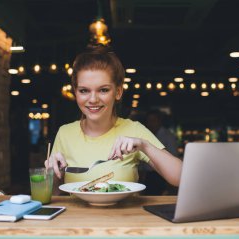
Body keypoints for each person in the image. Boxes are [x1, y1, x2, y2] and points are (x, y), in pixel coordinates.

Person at [45, 45, 182, 187]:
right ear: (75, 92)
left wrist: (145, 146)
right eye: (84, 90)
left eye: (103, 90)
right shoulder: (65, 133)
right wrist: (53, 173)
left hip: (125, 210)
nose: (93, 99)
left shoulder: (133, 130)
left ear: (118, 92)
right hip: (77, 210)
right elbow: (55, 194)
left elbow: (181, 179)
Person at [139, 109, 179, 195]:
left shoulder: (168, 136)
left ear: (159, 121)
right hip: (147, 175)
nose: (151, 123)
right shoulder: (144, 134)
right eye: (149, 120)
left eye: (153, 120)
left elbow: (173, 156)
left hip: (162, 174)